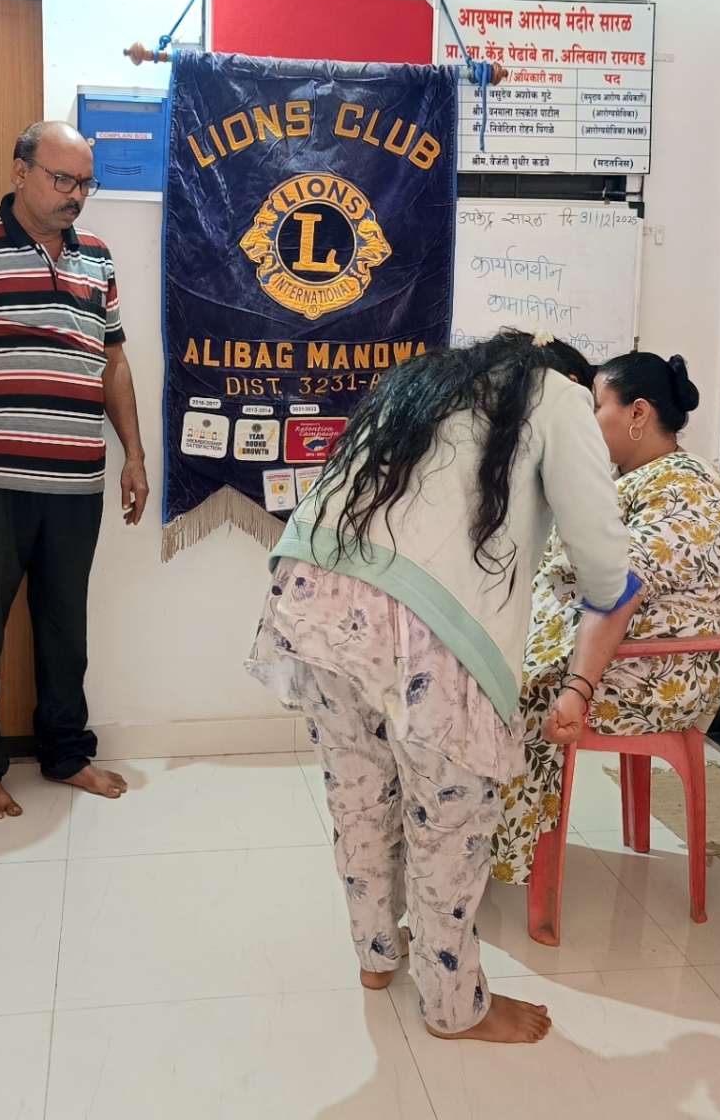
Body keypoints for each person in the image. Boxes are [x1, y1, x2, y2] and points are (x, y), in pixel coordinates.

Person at [247, 331, 643, 1045]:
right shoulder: (560, 398)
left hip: (314, 589)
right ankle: (455, 1008)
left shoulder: (423, 384)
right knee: (449, 824)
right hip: (425, 620)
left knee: (360, 794)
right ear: (572, 379)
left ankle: (376, 956)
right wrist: (614, 590)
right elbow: (601, 555)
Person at [0, 121, 149, 819]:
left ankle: (66, 753)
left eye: (85, 183)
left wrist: (134, 455)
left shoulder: (97, 257)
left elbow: (113, 361)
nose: (75, 195)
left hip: (76, 484)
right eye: (62, 178)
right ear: (21, 172)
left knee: (64, 629)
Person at [491, 351, 720, 886]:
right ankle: (473, 843)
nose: (586, 421)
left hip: (656, 674)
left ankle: (484, 854)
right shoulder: (642, 477)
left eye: (596, 406)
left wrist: (577, 688)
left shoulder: (685, 486)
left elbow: (619, 591)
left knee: (501, 694)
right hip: (625, 655)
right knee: (478, 671)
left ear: (638, 413)